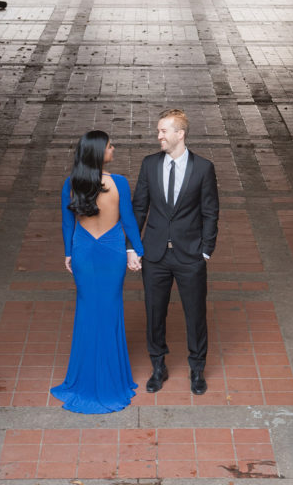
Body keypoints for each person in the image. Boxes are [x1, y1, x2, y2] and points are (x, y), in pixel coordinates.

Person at [51, 131, 144, 414]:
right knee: (111, 312)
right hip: (112, 253)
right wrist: (137, 251)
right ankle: (112, 381)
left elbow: (68, 224)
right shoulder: (119, 183)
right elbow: (128, 221)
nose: (113, 149)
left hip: (83, 251)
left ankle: (83, 380)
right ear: (98, 153)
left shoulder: (71, 184)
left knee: (87, 312)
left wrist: (68, 253)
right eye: (109, 146)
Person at [131, 109, 219, 396]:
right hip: (154, 255)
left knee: (196, 315)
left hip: (190, 255)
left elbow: (210, 211)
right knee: (154, 313)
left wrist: (205, 251)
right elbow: (139, 208)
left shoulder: (203, 168)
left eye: (163, 131)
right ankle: (158, 366)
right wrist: (132, 247)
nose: (159, 136)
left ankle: (197, 369)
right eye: (158, 131)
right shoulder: (149, 164)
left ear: (180, 134)